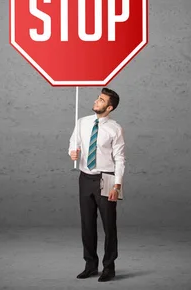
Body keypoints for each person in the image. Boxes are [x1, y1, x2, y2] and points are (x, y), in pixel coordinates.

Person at [68, 87, 125, 282]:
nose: (96, 101)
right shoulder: (82, 122)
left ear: (109, 107)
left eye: (101, 100)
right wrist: (72, 152)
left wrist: (117, 186)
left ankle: (109, 267)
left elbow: (120, 159)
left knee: (109, 225)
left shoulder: (115, 129)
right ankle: (90, 265)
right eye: (97, 98)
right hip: (85, 178)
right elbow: (73, 142)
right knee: (87, 224)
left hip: (106, 178)